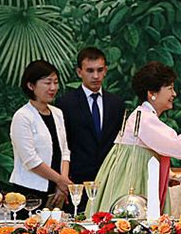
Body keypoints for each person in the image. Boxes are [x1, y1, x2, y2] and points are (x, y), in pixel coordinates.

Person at [89, 61, 181, 217]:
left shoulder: (144, 115)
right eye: (170, 88)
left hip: (134, 177)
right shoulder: (144, 118)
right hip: (132, 183)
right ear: (152, 93)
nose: (174, 94)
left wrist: (166, 175)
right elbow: (178, 146)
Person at [56, 47, 125, 212]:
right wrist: (62, 180)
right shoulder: (65, 103)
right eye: (90, 71)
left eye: (100, 70)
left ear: (106, 71)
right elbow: (61, 146)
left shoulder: (116, 104)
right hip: (76, 185)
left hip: (109, 181)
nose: (95, 76)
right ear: (79, 72)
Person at [9, 60, 73, 218]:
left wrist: (62, 183)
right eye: (47, 83)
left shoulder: (57, 113)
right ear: (31, 86)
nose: (53, 88)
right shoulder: (22, 116)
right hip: (29, 192)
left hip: (57, 190)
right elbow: (30, 160)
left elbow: (65, 151)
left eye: (56, 82)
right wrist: (61, 181)